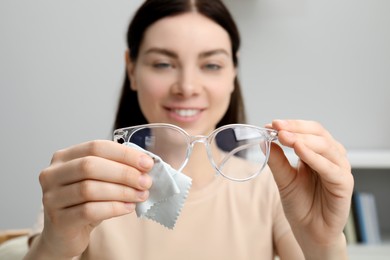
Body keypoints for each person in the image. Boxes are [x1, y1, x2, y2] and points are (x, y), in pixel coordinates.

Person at [24, 0, 354, 259]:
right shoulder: (87, 188)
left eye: (211, 65)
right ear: (132, 70)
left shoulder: (274, 192)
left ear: (232, 74)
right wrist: (54, 248)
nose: (187, 86)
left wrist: (324, 247)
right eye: (163, 64)